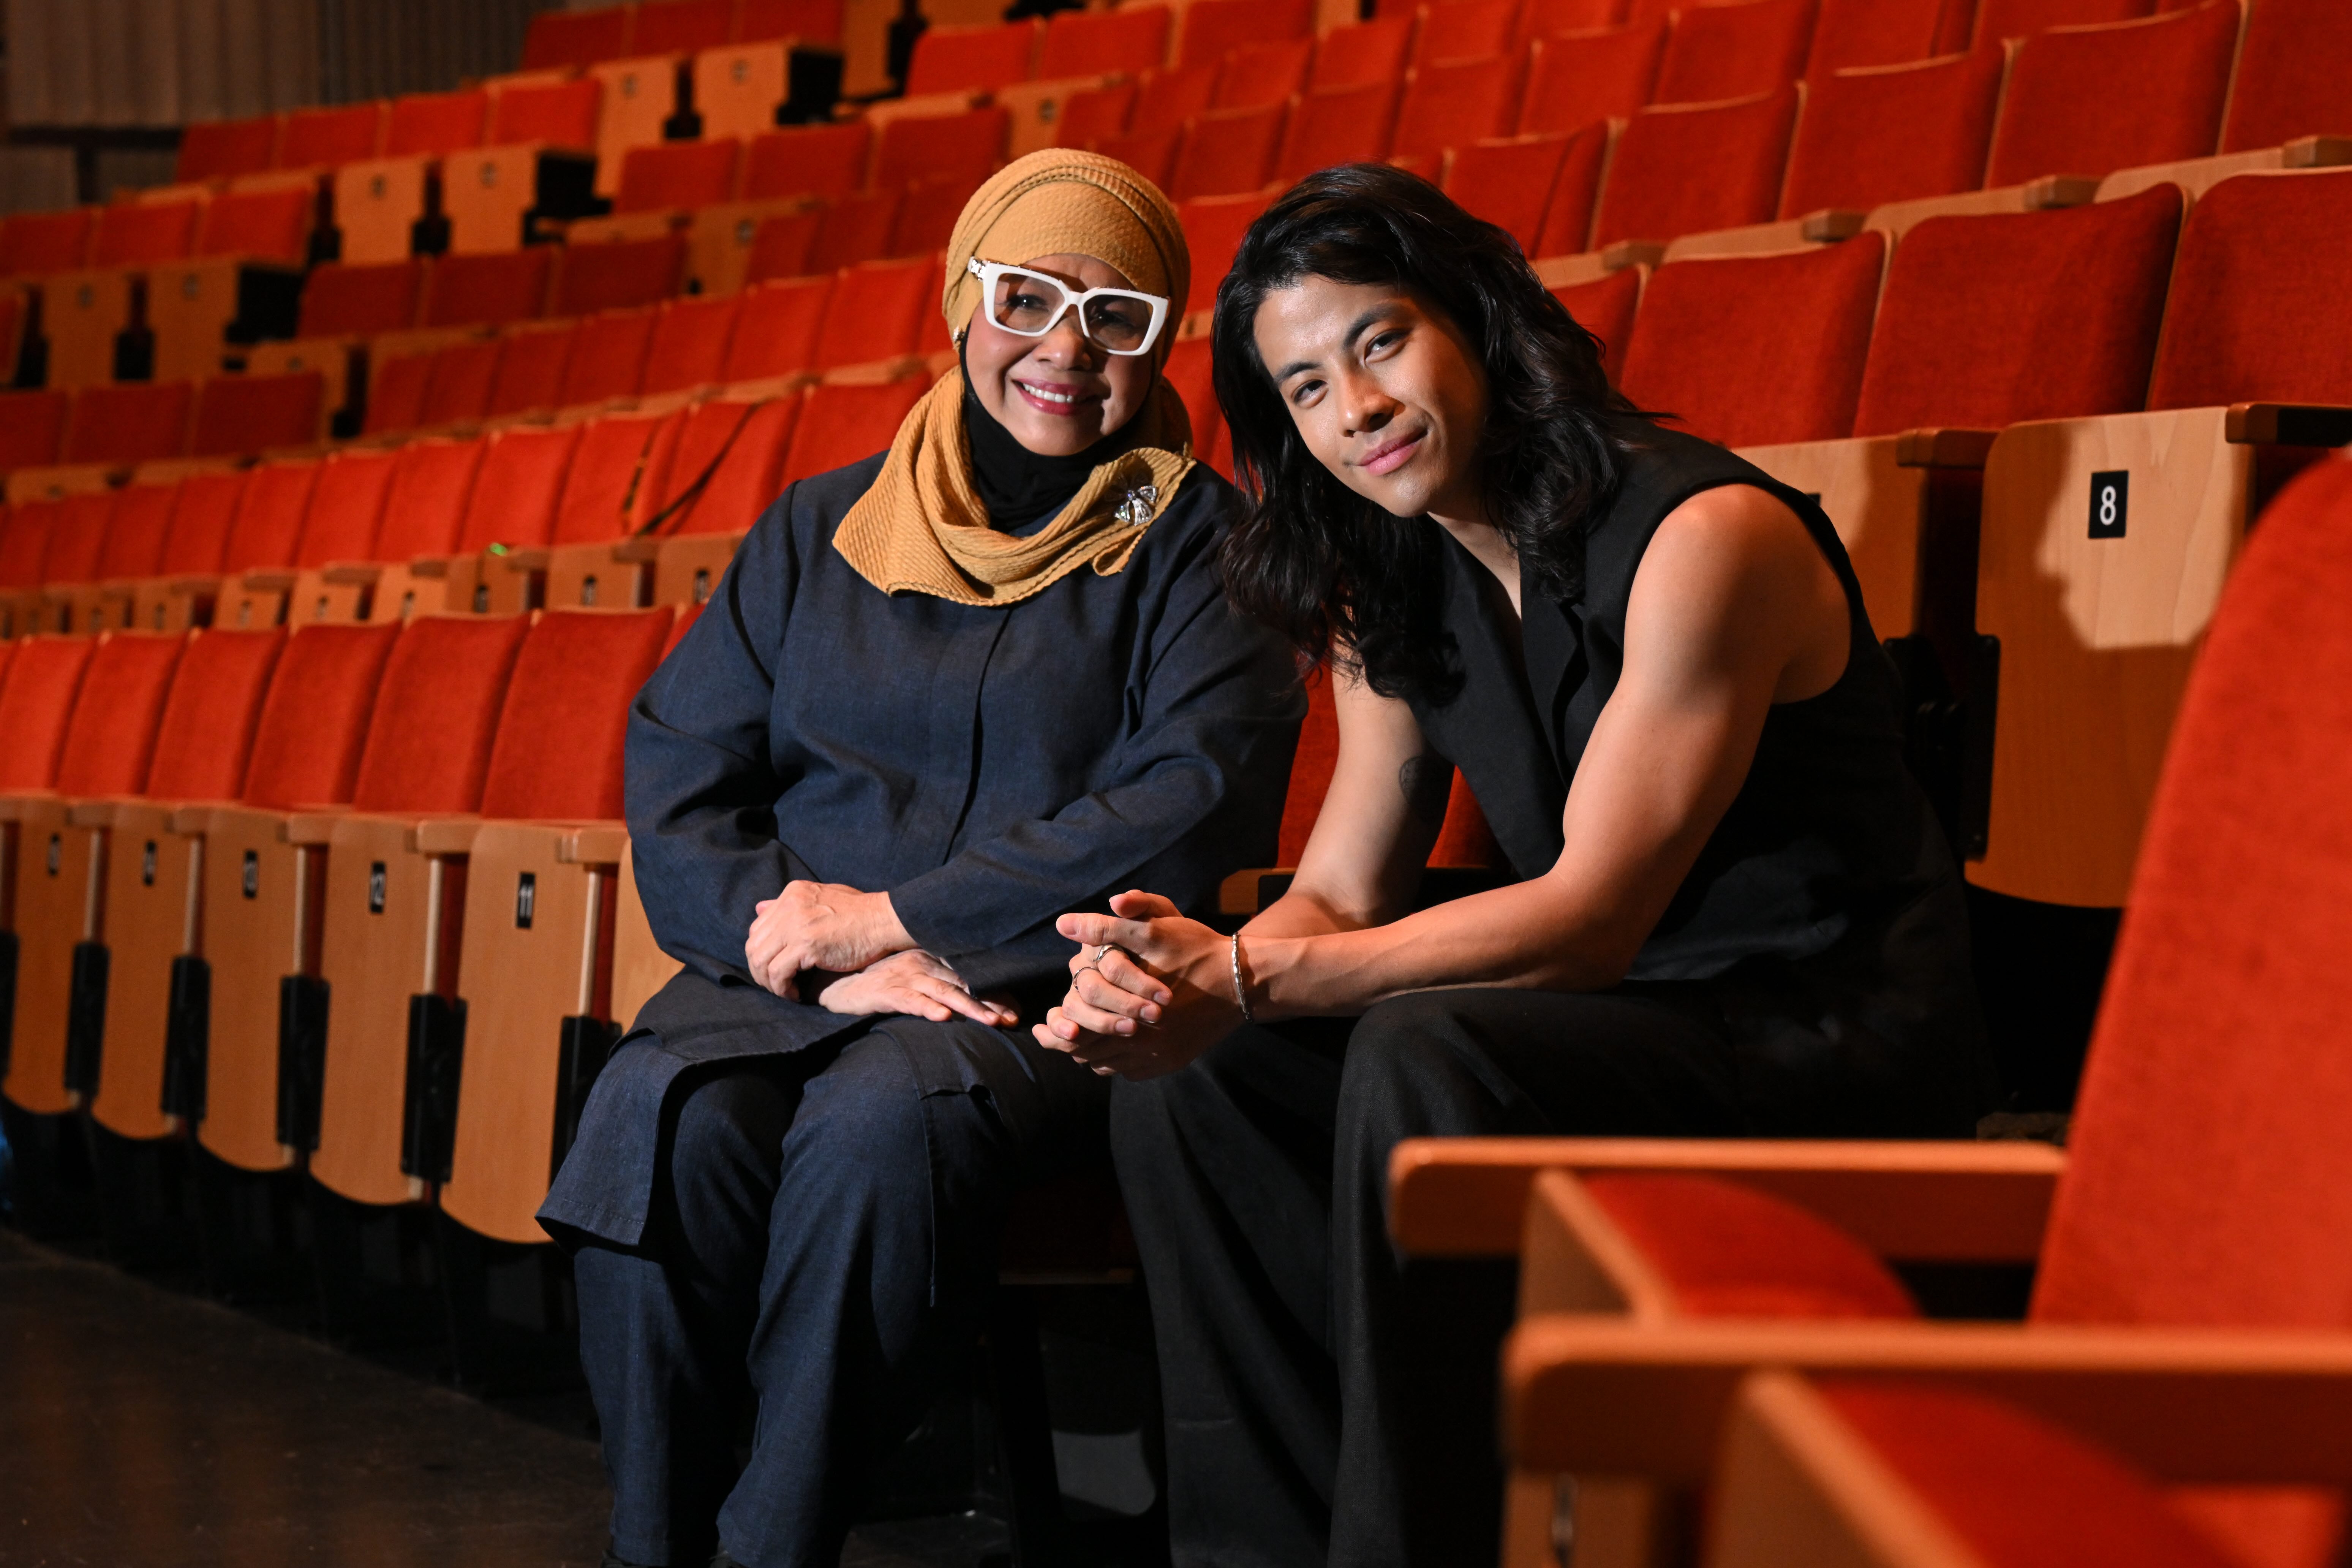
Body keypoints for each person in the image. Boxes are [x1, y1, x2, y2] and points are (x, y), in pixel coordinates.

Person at [1033, 164, 1998, 1567]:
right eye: (1306, 390)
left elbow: (1590, 921)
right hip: (1620, 1014)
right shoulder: (1388, 572)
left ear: (1477, 320)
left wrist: (1244, 973)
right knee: (1208, 1078)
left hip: (1815, 1022)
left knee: (1425, 1049)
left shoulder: (1705, 536)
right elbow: (1342, 892)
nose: (1355, 408)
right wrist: (1179, 989)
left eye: (1379, 343)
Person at [538, 150, 1303, 1568]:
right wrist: (820, 962)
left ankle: (777, 1547)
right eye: (1027, 300)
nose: (1066, 350)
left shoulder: (1209, 547)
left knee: (884, 1127)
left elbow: (1191, 802)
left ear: (1160, 345)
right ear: (962, 303)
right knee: (660, 1110)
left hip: (1032, 1002)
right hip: (789, 987)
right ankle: (654, 1546)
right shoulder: (815, 529)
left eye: (1118, 316)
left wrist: (895, 920)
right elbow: (683, 767)